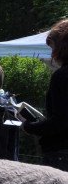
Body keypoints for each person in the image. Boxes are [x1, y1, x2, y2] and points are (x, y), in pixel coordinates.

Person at [24, 18, 68, 171]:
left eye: (53, 47)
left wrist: (30, 126)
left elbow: (60, 121)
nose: (52, 53)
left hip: (61, 152)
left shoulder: (62, 76)